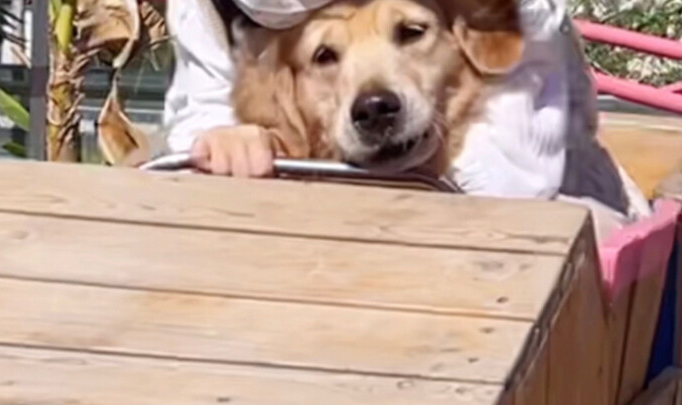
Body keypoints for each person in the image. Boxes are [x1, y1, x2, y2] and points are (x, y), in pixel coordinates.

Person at [162, 0, 651, 235]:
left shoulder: (500, 27)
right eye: (327, 57)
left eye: (411, 33)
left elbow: (517, 185)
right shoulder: (209, 13)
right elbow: (204, 117)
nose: (373, 98)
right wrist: (229, 145)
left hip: (554, 228)